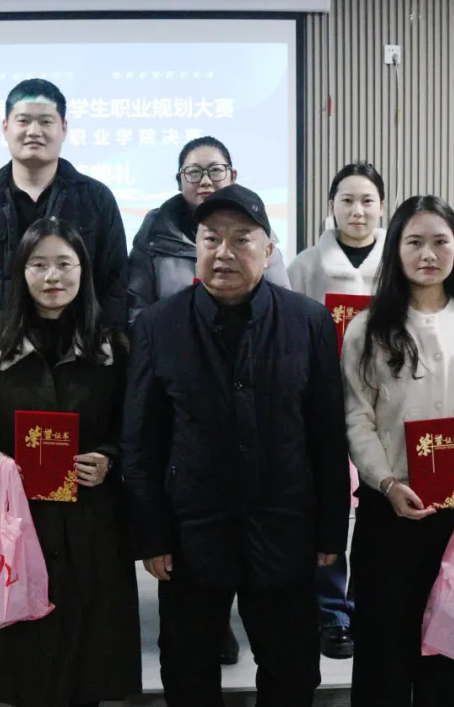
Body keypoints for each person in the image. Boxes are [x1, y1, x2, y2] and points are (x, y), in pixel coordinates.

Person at [121, 183, 350, 706]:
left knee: (292, 670)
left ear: (268, 250)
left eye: (241, 239)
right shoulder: (158, 325)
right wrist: (151, 534)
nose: (224, 252)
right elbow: (141, 440)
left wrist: (330, 529)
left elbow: (326, 432)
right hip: (192, 531)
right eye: (211, 239)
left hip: (284, 526)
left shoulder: (308, 322)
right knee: (188, 669)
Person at [341, 195, 454, 706]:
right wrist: (386, 481)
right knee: (382, 654)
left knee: (453, 652)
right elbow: (355, 417)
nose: (428, 254)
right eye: (414, 241)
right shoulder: (367, 328)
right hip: (390, 511)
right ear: (395, 249)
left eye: (440, 241)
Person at [0, 217, 142, 707]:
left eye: (65, 263)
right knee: (26, 658)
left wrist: (109, 459)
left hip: (93, 522)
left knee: (88, 659)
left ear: (83, 271)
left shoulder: (114, 349)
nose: (52, 276)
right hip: (20, 523)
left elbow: (133, 427)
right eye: (38, 264)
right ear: (21, 272)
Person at [0, 79, 129, 357]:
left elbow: (115, 286)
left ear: (64, 128)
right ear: (5, 127)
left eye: (46, 121)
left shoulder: (97, 200)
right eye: (24, 120)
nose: (34, 131)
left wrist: (95, 352)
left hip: (77, 364)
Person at [286, 160, 388, 659]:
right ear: (331, 206)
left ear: (383, 207)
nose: (357, 210)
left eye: (367, 200)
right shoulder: (306, 265)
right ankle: (331, 611)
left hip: (385, 405)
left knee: (380, 503)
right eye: (347, 200)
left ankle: (373, 603)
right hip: (321, 401)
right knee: (325, 506)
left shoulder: (399, 261)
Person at [127, 135, 290, 326]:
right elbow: (136, 307)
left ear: (233, 176)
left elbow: (282, 307)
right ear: (180, 181)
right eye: (194, 172)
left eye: (215, 170)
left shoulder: (255, 226)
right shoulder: (155, 232)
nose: (205, 180)